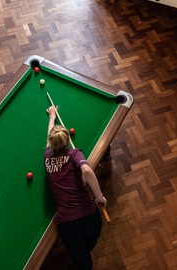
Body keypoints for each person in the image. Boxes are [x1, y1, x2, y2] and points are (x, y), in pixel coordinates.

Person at [45, 105, 107, 270]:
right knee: (92, 238)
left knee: (80, 257)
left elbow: (48, 138)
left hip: (68, 224)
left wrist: (52, 116)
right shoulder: (74, 153)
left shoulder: (46, 156)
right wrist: (99, 196)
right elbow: (86, 170)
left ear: (51, 143)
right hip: (89, 215)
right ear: (66, 142)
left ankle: (79, 257)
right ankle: (84, 252)